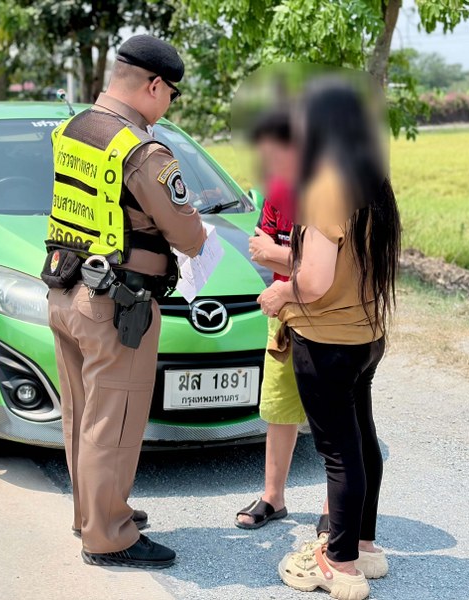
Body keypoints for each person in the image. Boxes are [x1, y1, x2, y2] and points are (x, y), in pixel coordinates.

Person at [42, 34, 206, 569]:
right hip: (117, 306)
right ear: (154, 85)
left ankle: (91, 515)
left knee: (82, 417)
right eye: (171, 94)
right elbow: (187, 235)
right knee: (113, 423)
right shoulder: (140, 150)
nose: (169, 105)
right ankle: (109, 536)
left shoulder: (74, 129)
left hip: (65, 289)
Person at [258, 79, 400, 600]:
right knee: (360, 440)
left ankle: (338, 563)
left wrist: (280, 294)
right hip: (365, 336)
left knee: (339, 452)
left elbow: (315, 281)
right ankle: (363, 545)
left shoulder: (323, 188)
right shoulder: (370, 179)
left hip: (326, 341)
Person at [236, 108, 307, 530]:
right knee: (279, 406)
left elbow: (328, 265)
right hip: (283, 314)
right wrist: (286, 257)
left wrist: (278, 254)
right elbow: (257, 248)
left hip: (325, 315)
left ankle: (334, 509)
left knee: (332, 415)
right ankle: (273, 497)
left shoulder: (325, 192)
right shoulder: (276, 191)